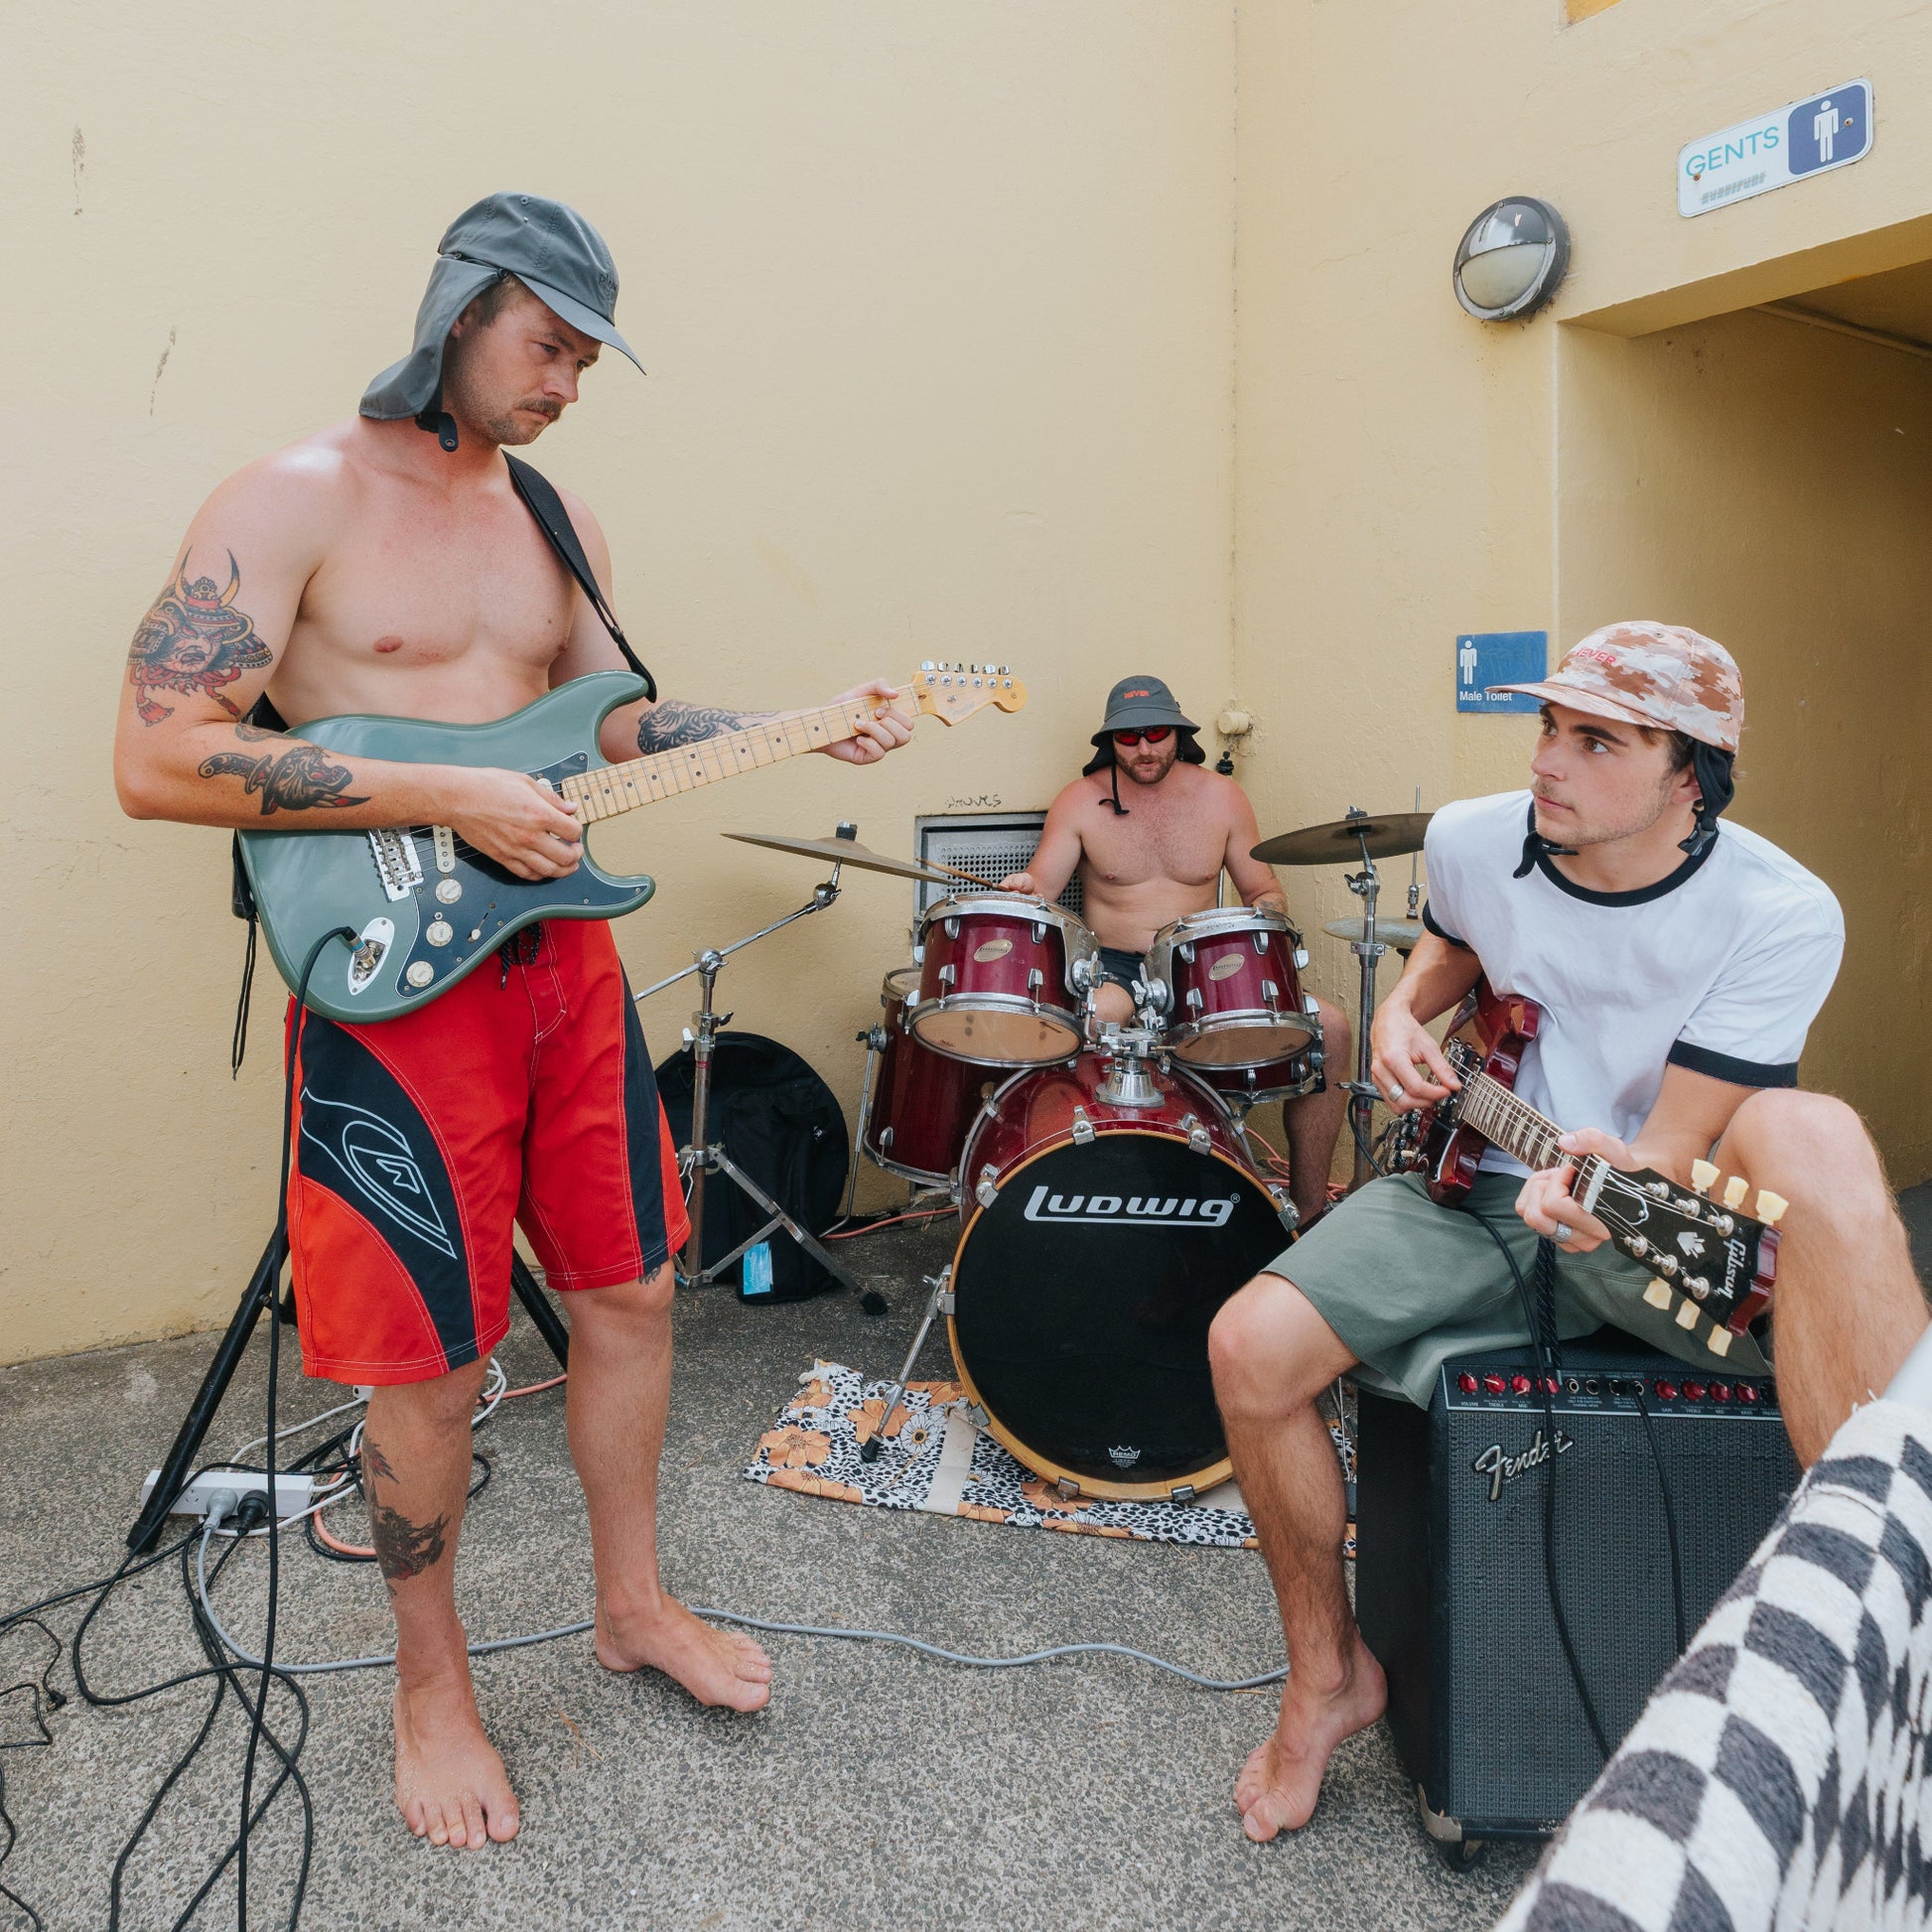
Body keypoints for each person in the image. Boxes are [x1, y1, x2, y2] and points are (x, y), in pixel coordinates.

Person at [112, 193, 912, 1852]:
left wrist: (769, 727)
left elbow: (594, 718)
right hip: (394, 993)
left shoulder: (556, 513)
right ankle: (431, 1689)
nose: (564, 384)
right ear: (462, 309)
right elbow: (158, 753)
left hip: (562, 970)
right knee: (427, 1356)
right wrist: (439, 792)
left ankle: (632, 1605)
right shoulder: (291, 498)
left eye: (585, 360)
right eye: (547, 344)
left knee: (629, 1294)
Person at [1205, 623, 1928, 1843]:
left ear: (1685, 774)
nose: (1549, 759)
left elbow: (1675, 1142)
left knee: (1807, 1131)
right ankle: (1329, 1676)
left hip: (1654, 1204)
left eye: (1596, 739)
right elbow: (1454, 946)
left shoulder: (1780, 909)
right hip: (1477, 1179)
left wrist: (1614, 1171)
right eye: (1547, 725)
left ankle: (1884, 1653)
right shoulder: (1474, 838)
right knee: (1245, 1347)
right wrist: (1401, 1018)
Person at [1000, 675, 1348, 1226]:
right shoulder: (1081, 799)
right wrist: (1025, 887)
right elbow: (1043, 883)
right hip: (1114, 966)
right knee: (1089, 1020)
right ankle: (1084, 1199)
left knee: (1330, 1028)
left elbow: (1262, 888)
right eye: (1128, 738)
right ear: (1109, 742)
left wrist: (1267, 916)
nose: (1143, 748)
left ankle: (1307, 1210)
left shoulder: (1222, 796)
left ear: (1178, 733)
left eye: (1156, 733)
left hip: (1201, 970)